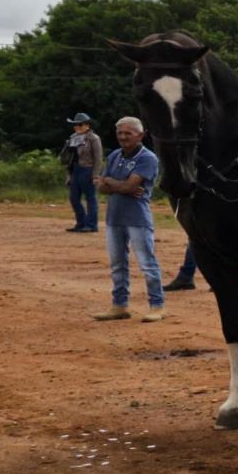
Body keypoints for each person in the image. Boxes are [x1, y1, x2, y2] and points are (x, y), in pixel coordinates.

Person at [93, 116, 165, 322]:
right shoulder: (115, 155)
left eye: (128, 133)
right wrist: (119, 185)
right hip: (114, 217)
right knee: (117, 264)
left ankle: (157, 305)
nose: (123, 137)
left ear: (140, 135)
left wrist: (110, 181)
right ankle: (119, 305)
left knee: (147, 263)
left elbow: (129, 186)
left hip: (137, 218)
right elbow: (101, 188)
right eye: (120, 133)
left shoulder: (147, 158)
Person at [61, 112, 103, 232]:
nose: (77, 127)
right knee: (74, 198)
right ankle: (81, 223)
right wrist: (68, 174)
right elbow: (68, 158)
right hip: (75, 169)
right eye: (75, 125)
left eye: (80, 124)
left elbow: (98, 158)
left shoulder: (94, 138)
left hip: (87, 169)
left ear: (87, 125)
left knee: (90, 198)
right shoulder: (73, 137)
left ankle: (92, 225)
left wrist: (95, 175)